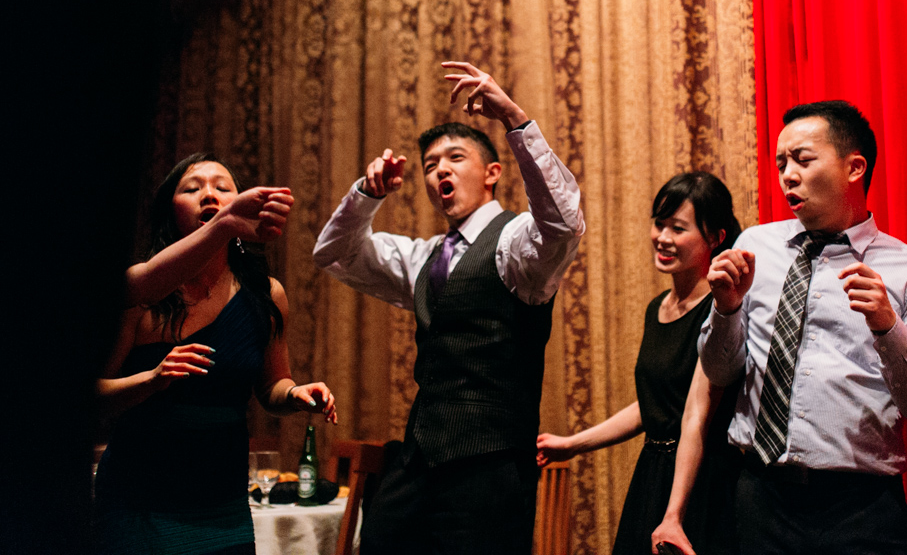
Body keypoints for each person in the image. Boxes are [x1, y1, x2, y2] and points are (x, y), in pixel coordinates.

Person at [312, 62, 585, 555]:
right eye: (431, 163)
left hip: (491, 462)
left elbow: (564, 226)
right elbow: (334, 254)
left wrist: (514, 120)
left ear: (492, 173)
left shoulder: (516, 245)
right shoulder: (424, 257)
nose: (440, 168)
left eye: (455, 157)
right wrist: (366, 196)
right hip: (418, 458)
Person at [699, 100, 907, 555]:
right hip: (759, 497)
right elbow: (718, 373)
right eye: (780, 163)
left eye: (802, 159)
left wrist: (888, 327)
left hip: (860, 508)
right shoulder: (755, 247)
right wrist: (727, 308)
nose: (787, 175)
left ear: (854, 168)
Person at [94, 154, 338, 555]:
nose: (209, 195)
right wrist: (152, 380)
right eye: (192, 188)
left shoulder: (266, 294)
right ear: (168, 211)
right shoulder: (142, 292)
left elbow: (273, 385)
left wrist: (295, 395)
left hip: (222, 504)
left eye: (222, 187)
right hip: (138, 501)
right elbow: (92, 397)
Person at [536, 172, 743, 555]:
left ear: (715, 239)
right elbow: (652, 407)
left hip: (701, 482)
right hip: (653, 472)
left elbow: (695, 414)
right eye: (659, 224)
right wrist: (573, 445)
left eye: (678, 228)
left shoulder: (719, 312)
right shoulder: (657, 309)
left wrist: (674, 514)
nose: (663, 237)